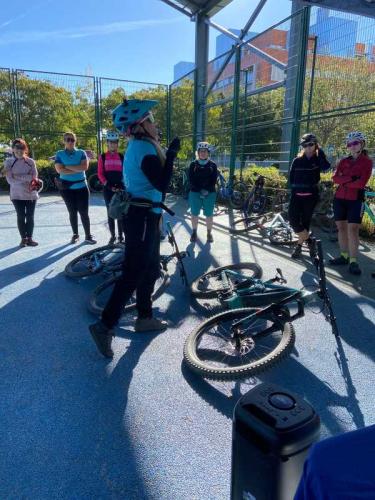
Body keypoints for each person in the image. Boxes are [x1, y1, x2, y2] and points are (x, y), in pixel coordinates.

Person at [89, 98, 180, 358]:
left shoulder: (140, 145)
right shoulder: (143, 148)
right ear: (141, 125)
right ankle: (104, 325)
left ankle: (144, 317)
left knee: (151, 268)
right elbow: (162, 184)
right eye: (151, 119)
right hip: (141, 217)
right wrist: (172, 154)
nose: (155, 123)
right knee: (134, 272)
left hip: (146, 216)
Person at [330, 131, 373, 275]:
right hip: (339, 198)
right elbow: (335, 178)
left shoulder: (367, 162)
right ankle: (344, 256)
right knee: (341, 228)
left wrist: (344, 179)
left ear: (362, 144)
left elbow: (361, 183)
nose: (352, 146)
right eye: (350, 144)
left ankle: (353, 261)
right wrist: (351, 178)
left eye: (355, 143)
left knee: (353, 229)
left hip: (355, 199)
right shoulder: (343, 161)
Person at [288, 133, 331, 259]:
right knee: (293, 220)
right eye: (305, 145)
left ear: (315, 145)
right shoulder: (297, 160)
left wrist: (320, 153)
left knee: (305, 222)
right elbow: (291, 178)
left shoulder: (318, 159)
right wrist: (296, 189)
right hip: (296, 196)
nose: (308, 147)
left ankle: (299, 247)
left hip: (310, 196)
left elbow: (326, 168)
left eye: (311, 144)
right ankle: (311, 242)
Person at [54, 132, 96, 244]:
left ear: (75, 141)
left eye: (72, 140)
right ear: (64, 141)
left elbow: (84, 167)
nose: (70, 142)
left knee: (84, 212)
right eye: (67, 139)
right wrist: (76, 168)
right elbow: (59, 170)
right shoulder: (59, 153)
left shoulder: (81, 152)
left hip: (82, 187)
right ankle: (75, 235)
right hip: (66, 188)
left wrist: (66, 166)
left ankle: (88, 236)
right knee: (72, 212)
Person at [5, 138, 40, 247]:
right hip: (16, 195)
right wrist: (26, 178)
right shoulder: (8, 162)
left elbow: (34, 177)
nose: (19, 150)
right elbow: (10, 180)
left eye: (22, 148)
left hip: (31, 195)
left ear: (25, 149)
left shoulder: (30, 162)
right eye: (17, 147)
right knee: (20, 216)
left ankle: (29, 238)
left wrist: (19, 176)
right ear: (13, 149)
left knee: (30, 217)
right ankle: (23, 239)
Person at [97, 131, 124, 244]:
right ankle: (113, 235)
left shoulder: (122, 156)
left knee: (121, 213)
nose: (113, 144)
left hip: (120, 188)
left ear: (117, 144)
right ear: (107, 143)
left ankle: (121, 237)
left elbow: (125, 173)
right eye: (110, 142)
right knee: (110, 213)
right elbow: (100, 174)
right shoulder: (102, 157)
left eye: (115, 142)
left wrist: (121, 185)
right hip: (108, 189)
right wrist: (109, 185)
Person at [188, 142, 218, 243]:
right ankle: (194, 232)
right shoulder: (193, 165)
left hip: (209, 193)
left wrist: (207, 190)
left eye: (205, 151)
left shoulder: (213, 165)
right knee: (194, 213)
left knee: (209, 214)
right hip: (195, 192)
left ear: (208, 153)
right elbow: (191, 180)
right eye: (201, 151)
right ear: (198, 152)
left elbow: (213, 180)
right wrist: (200, 190)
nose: (203, 153)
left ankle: (209, 233)